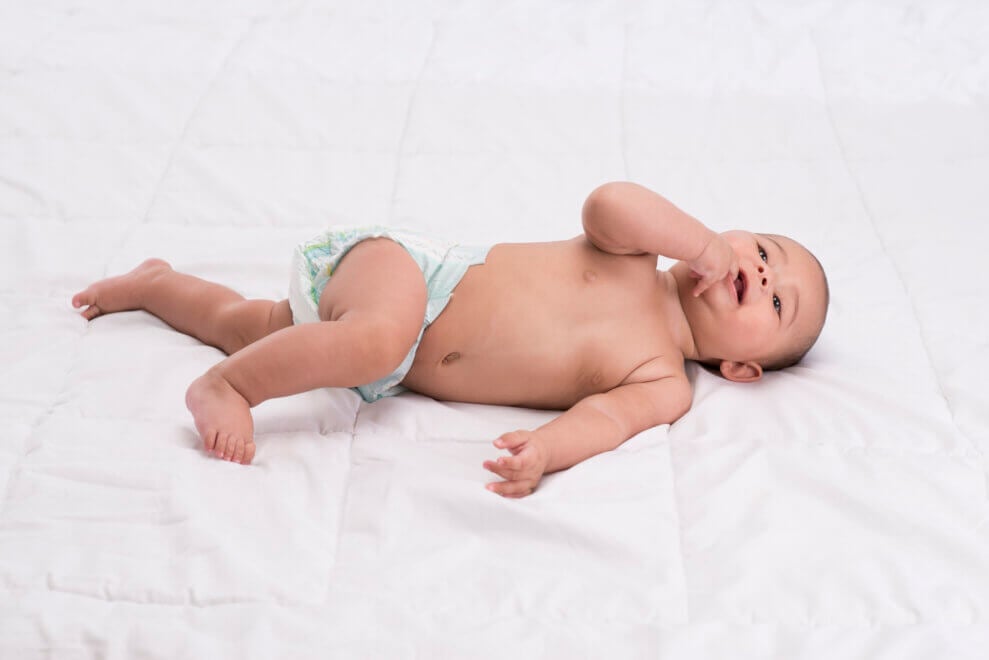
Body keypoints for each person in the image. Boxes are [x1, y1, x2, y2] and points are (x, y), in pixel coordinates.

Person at [71, 182, 829, 498]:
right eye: (763, 251)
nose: (759, 274)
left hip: (388, 359)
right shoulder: (640, 258)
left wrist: (545, 455)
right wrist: (694, 243)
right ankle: (230, 388)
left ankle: (155, 285)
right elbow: (610, 202)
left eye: (776, 300)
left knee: (251, 326)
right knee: (366, 339)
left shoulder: (662, 381)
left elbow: (603, 422)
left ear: (742, 366)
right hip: (409, 277)